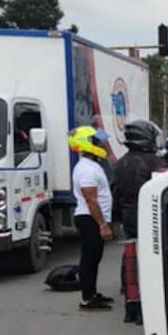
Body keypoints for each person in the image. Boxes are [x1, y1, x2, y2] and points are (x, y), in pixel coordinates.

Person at [112, 120, 166, 324]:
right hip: (151, 218)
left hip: (129, 219)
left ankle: (130, 307)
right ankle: (147, 309)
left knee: (130, 261)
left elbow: (115, 193)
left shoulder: (121, 163)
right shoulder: (154, 162)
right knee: (151, 264)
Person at [69, 126, 114, 310]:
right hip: (90, 219)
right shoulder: (86, 169)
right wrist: (102, 224)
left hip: (91, 218)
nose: (100, 143)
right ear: (88, 144)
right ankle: (87, 299)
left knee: (94, 258)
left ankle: (92, 294)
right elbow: (91, 199)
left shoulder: (91, 165)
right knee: (89, 259)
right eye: (96, 141)